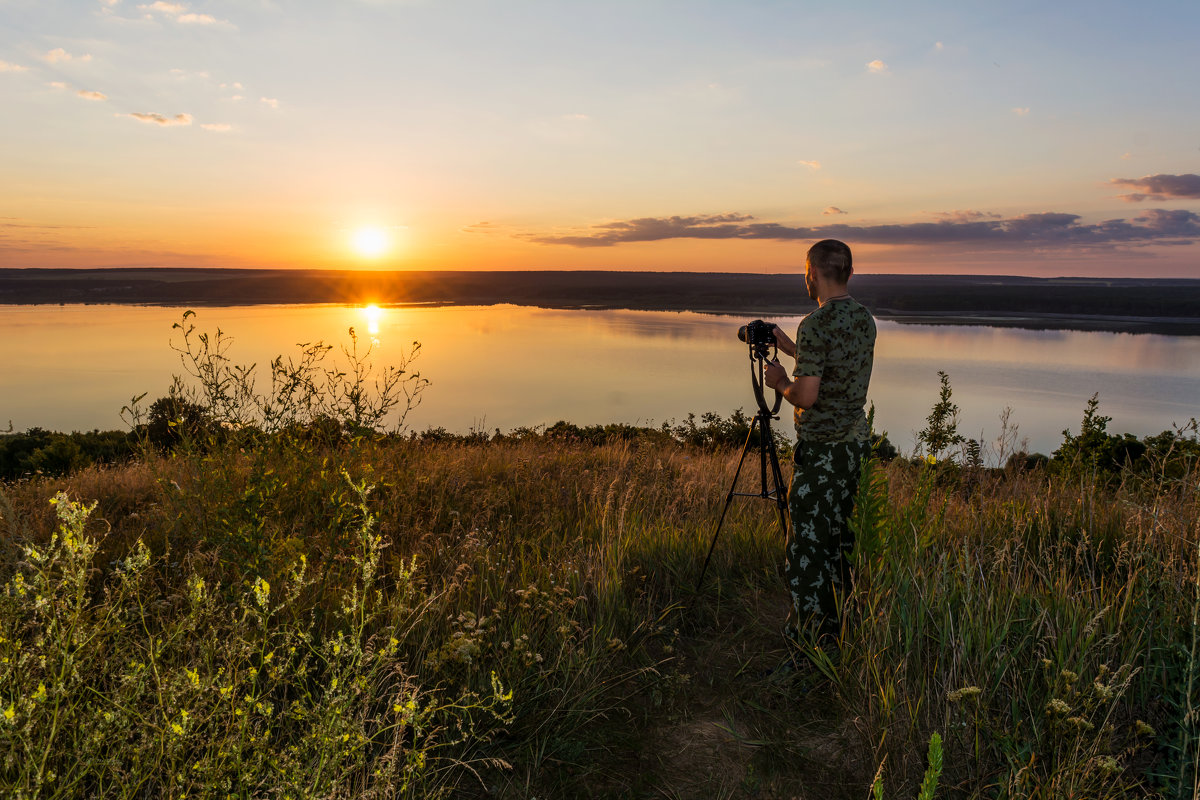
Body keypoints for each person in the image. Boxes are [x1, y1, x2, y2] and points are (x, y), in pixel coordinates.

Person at [763, 239, 876, 650]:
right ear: (847, 272)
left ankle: (806, 644)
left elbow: (807, 395)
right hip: (854, 447)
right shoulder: (864, 319)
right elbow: (832, 366)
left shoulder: (815, 323)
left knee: (808, 549)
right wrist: (790, 347)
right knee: (841, 543)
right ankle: (841, 628)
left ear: (812, 272)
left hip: (823, 453)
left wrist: (781, 383)